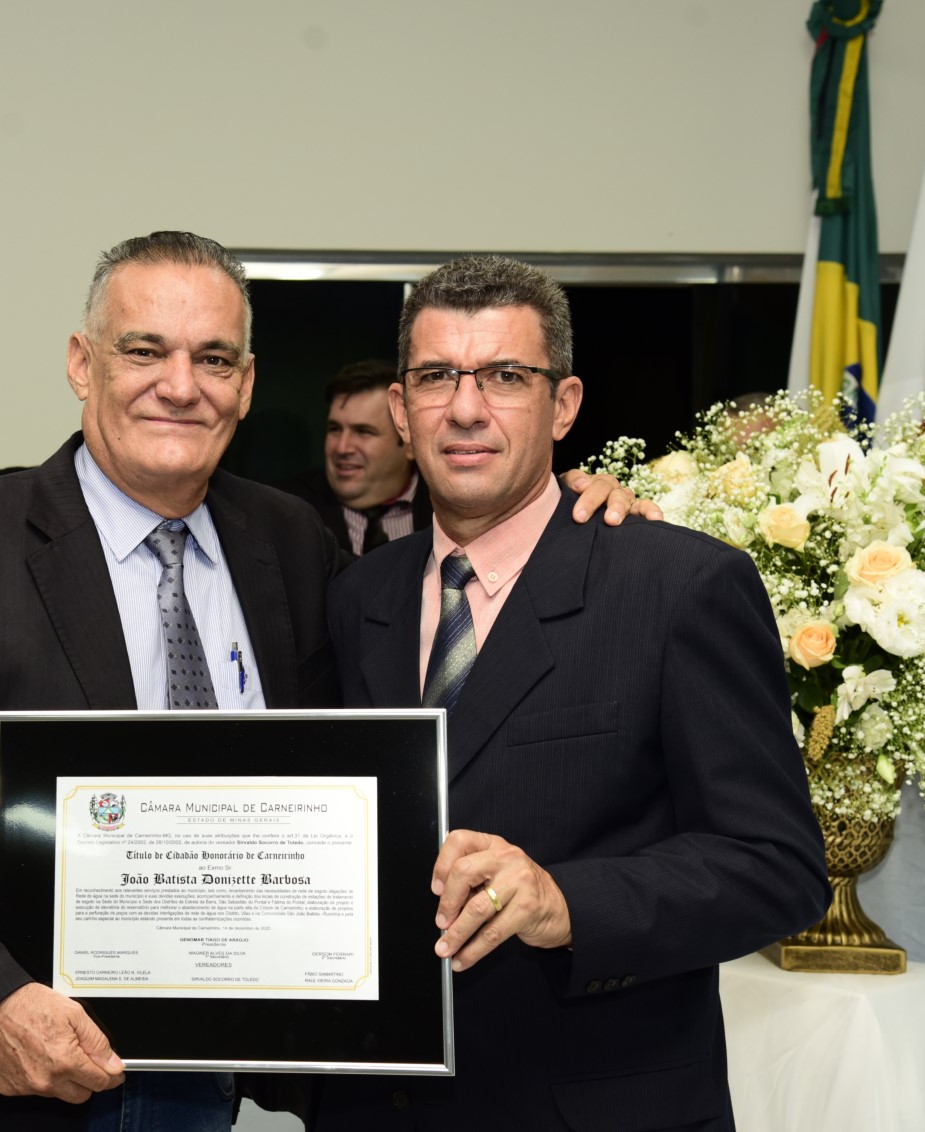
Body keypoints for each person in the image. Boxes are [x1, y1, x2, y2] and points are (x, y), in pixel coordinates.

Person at [0, 232, 648, 1132]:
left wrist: (564, 513)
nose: (180, 386)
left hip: (205, 1088)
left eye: (212, 359)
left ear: (245, 385)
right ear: (83, 364)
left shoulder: (290, 543)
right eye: (144, 351)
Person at [317, 256, 828, 1129]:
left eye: (505, 377)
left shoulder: (679, 586)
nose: (466, 408)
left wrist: (566, 903)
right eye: (436, 377)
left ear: (564, 405)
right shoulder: (358, 596)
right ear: (401, 410)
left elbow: (777, 867)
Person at [289, 359, 431, 556]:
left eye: (363, 431)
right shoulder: (288, 512)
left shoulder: (448, 507)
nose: (342, 447)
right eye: (335, 429)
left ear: (410, 443)